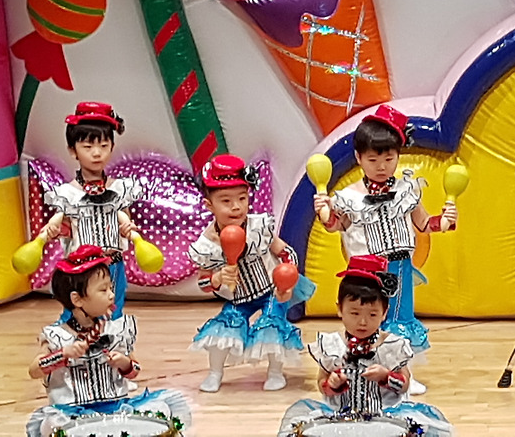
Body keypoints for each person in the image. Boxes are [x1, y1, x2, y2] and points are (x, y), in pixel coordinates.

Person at [314, 104, 457, 393]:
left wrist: (445, 220)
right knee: (365, 320)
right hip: (364, 270)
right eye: (373, 159)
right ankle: (358, 371)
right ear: (358, 158)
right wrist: (323, 211)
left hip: (400, 265)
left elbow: (424, 223)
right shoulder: (348, 196)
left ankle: (401, 374)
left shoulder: (407, 190)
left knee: (400, 319)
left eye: (389, 158)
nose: (381, 166)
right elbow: (335, 225)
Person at [277, 254, 453, 436]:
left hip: (386, 419)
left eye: (372, 315)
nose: (363, 322)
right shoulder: (332, 346)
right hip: (340, 420)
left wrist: (386, 376)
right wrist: (332, 383)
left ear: (384, 313)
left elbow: (405, 384)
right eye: (354, 313)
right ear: (339, 309)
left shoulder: (392, 346)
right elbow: (322, 382)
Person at [25, 245, 189, 437]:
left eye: (111, 287)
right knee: (52, 424)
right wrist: (62, 355)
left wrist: (124, 363)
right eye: (103, 290)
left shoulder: (118, 330)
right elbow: (34, 371)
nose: (111, 294)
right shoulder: (56, 336)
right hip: (74, 413)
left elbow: (135, 370)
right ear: (77, 300)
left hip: (117, 408)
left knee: (160, 410)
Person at [189, 154, 313, 392]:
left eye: (242, 198)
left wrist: (287, 281)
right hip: (239, 298)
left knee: (273, 325)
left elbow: (285, 251)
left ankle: (275, 372)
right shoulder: (206, 244)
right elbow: (203, 282)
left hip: (270, 292)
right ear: (209, 205)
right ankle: (215, 373)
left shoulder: (259, 227)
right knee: (223, 329)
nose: (236, 206)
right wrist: (217, 278)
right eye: (226, 201)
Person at [36, 102, 144, 319]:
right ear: (72, 150)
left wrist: (128, 229)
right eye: (87, 147)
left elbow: (125, 221)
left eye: (104, 145)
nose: (97, 153)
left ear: (112, 146)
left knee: (112, 313)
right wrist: (53, 231)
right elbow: (62, 225)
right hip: (79, 270)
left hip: (112, 266)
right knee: (77, 316)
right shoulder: (67, 193)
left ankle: (110, 342)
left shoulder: (120, 189)